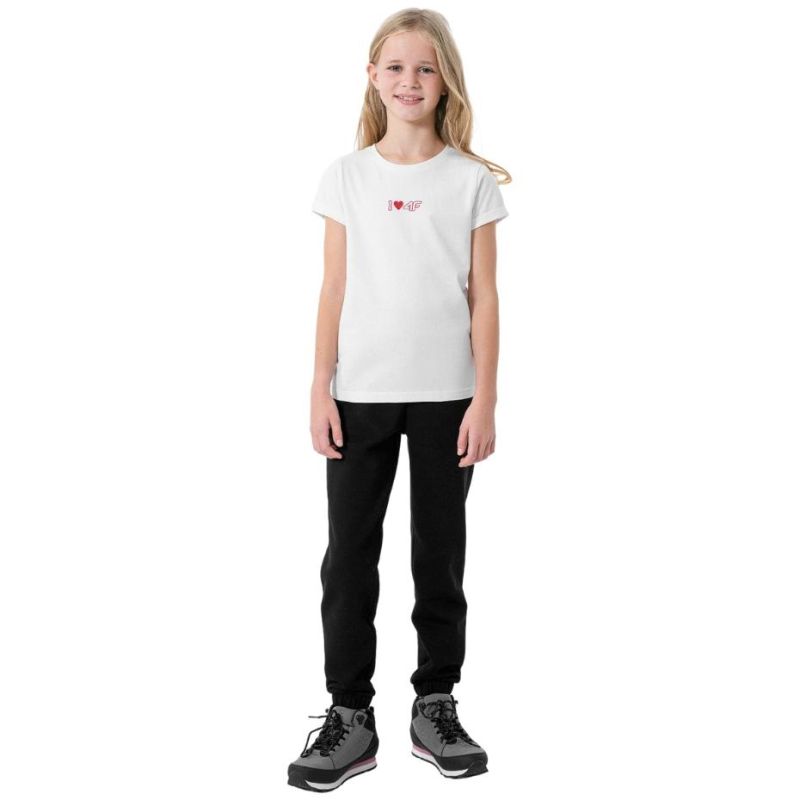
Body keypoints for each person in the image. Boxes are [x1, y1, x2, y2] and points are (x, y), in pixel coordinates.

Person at [288, 8, 510, 792]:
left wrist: (485, 398)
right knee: (349, 556)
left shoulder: (469, 180)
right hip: (361, 393)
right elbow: (333, 288)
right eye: (395, 67)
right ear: (373, 77)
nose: (409, 81)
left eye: (424, 68)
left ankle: (435, 703)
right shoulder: (346, 177)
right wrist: (320, 386)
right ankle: (350, 715)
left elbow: (485, 297)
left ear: (444, 79)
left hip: (449, 395)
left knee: (438, 555)